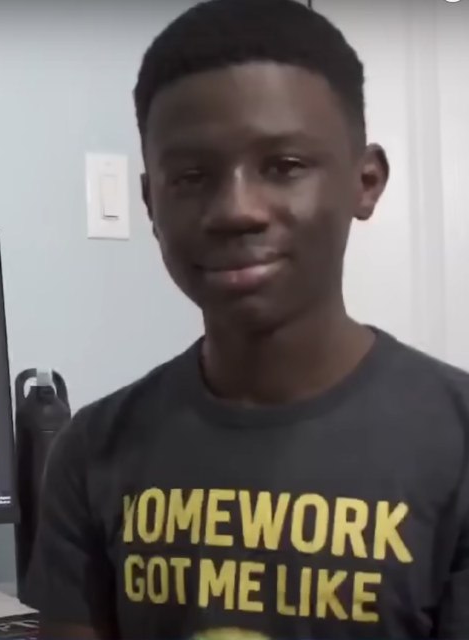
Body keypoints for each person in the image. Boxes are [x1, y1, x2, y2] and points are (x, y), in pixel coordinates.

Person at [25, 0, 469, 638]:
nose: (236, 209)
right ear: (151, 203)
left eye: (284, 167)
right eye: (192, 176)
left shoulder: (455, 449)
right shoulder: (92, 453)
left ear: (364, 181)